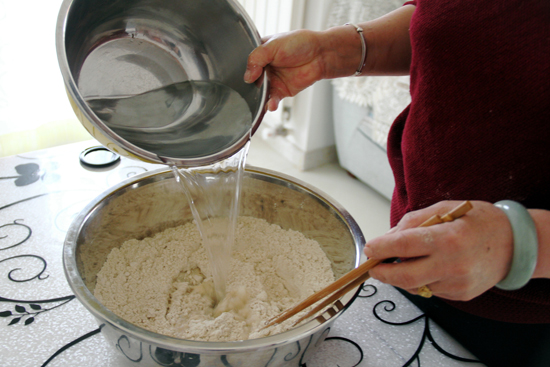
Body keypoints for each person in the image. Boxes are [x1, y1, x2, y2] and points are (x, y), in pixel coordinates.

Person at [244, 1, 550, 366]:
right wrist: (330, 51)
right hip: (424, 244)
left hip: (526, 311)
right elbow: (459, 22)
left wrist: (519, 243)